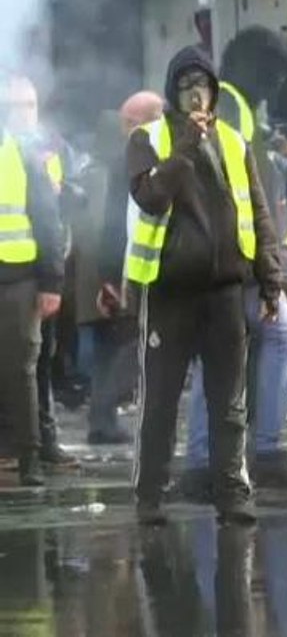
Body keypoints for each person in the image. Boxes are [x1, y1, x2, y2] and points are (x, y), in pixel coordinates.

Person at [126, 46, 282, 524]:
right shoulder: (148, 139)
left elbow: (258, 211)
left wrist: (270, 279)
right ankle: (150, 496)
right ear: (173, 94)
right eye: (186, 87)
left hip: (225, 292)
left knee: (229, 403)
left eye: (203, 86)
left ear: (214, 92)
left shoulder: (233, 141)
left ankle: (231, 493)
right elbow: (151, 196)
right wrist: (185, 150)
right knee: (161, 400)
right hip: (169, 291)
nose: (196, 96)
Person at [78, 92, 165, 446]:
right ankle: (105, 416)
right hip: (136, 269)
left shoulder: (121, 159)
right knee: (134, 344)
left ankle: (103, 419)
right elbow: (116, 224)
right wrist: (111, 277)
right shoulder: (132, 160)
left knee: (116, 347)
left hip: (124, 268)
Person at [5, 75, 80, 468]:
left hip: (41, 269)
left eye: (30, 105)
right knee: (22, 364)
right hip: (21, 272)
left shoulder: (50, 149)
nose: (24, 113)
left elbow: (62, 205)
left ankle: (44, 441)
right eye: (15, 106)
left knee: (41, 362)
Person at [0, 123, 64, 486]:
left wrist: (51, 283)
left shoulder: (22, 156)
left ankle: (29, 457)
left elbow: (47, 221)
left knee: (20, 370)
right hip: (17, 280)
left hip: (18, 278)